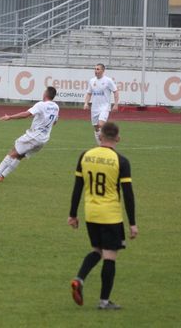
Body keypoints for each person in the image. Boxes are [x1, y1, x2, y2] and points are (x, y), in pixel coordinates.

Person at [67, 122, 138, 310]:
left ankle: (79, 279)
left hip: (91, 213)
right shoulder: (121, 161)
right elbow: (128, 194)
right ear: (118, 138)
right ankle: (104, 302)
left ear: (100, 136)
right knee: (109, 256)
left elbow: (77, 187)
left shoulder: (85, 156)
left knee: (97, 250)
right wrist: (132, 223)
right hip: (111, 216)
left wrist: (72, 214)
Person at [0, 86, 59, 182]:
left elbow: (26, 114)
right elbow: (54, 122)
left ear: (46, 94)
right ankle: (1, 176)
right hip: (44, 138)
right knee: (20, 156)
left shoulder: (41, 105)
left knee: (13, 152)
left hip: (34, 136)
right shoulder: (56, 107)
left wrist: (10, 117)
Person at [84, 64, 119, 145]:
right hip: (94, 108)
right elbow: (89, 93)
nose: (96, 71)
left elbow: (115, 91)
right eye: (95, 69)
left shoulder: (108, 80)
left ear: (103, 70)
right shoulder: (92, 81)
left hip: (104, 107)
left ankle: (112, 136)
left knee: (101, 124)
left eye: (98, 69)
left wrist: (116, 104)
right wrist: (86, 103)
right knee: (96, 128)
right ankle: (101, 145)